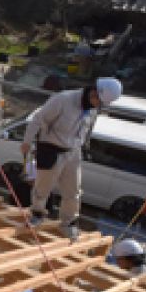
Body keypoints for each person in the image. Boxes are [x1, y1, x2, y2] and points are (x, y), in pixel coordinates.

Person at [22, 78, 122, 240]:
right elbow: (38, 119)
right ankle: (37, 214)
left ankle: (68, 222)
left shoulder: (92, 108)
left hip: (73, 152)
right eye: (99, 102)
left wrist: (84, 146)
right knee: (43, 187)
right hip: (51, 148)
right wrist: (27, 141)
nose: (98, 106)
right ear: (94, 92)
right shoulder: (63, 99)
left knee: (73, 191)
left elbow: (87, 129)